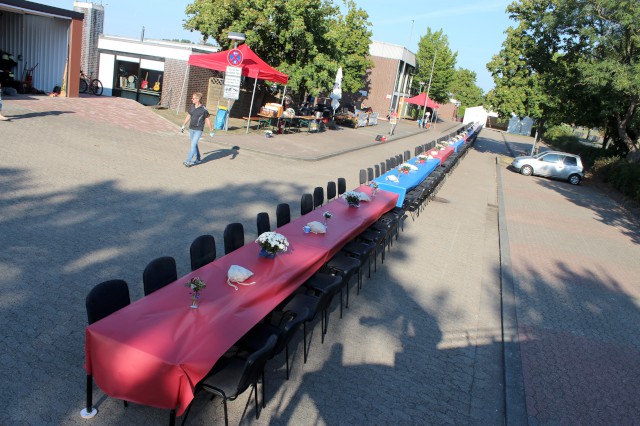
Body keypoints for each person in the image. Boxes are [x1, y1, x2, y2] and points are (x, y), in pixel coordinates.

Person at [181, 92, 214, 167]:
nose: (191, 99)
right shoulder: (192, 106)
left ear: (198, 99)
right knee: (194, 144)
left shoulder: (203, 109)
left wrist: (211, 130)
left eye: (193, 98)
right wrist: (183, 125)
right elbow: (188, 116)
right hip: (191, 129)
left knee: (193, 144)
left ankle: (188, 161)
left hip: (198, 130)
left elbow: (207, 120)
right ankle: (198, 159)